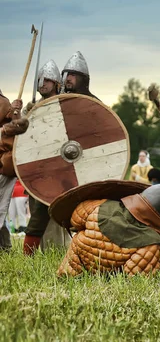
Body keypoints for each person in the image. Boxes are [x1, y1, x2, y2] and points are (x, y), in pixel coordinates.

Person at [23, 56, 92, 256]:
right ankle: (31, 255)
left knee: (76, 214)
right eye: (66, 74)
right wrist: (23, 115)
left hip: (75, 167)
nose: (42, 83)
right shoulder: (38, 106)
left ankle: (81, 252)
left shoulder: (82, 102)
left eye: (73, 75)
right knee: (39, 213)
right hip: (45, 168)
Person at [55, 183, 160, 276]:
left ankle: (67, 274)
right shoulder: (151, 242)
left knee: (75, 251)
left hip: (78, 258)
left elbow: (75, 221)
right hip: (107, 272)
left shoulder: (101, 204)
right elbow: (136, 274)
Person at [0, 93, 28, 251]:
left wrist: (16, 112)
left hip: (4, 163)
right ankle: (5, 247)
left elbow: (20, 126)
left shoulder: (3, 103)